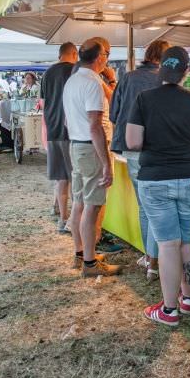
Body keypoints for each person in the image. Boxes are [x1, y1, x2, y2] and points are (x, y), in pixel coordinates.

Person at [126, 46, 190, 326]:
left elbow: (133, 142)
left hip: (155, 180)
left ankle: (169, 310)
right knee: (189, 241)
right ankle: (187, 300)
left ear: (161, 69)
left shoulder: (144, 99)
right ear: (186, 71)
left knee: (167, 244)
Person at [110, 39, 170, 281]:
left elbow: (114, 112)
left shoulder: (129, 77)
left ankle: (150, 259)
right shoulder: (167, 80)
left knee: (146, 206)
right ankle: (156, 259)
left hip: (132, 147)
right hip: (162, 149)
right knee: (160, 206)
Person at [63, 37, 121, 277]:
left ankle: (81, 253)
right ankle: (89, 262)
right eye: (106, 54)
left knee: (79, 202)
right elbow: (95, 126)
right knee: (93, 206)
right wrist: (106, 163)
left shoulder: (74, 80)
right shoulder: (92, 83)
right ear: (100, 58)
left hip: (77, 145)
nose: (107, 58)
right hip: (91, 147)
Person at [40, 42, 78, 234]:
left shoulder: (47, 74)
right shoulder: (75, 70)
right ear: (73, 53)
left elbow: (43, 103)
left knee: (61, 179)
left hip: (53, 129)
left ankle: (63, 219)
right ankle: (73, 221)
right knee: (74, 178)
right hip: (72, 130)